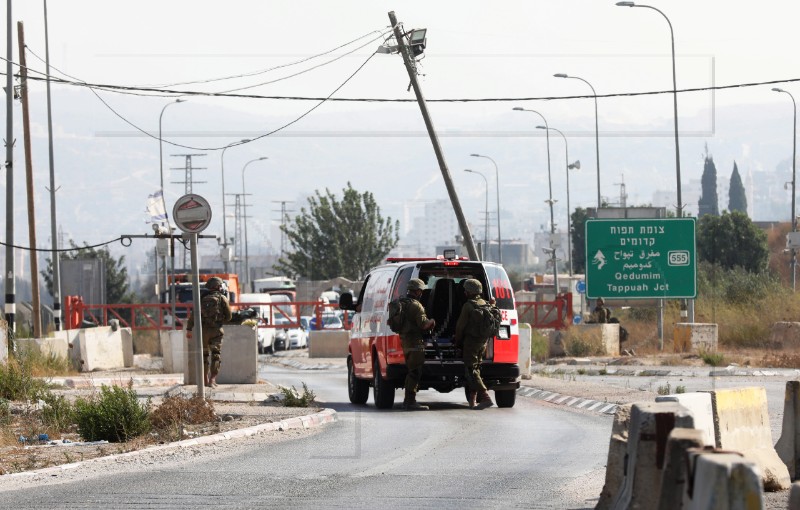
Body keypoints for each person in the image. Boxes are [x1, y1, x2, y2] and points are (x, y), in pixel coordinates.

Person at [454, 278, 495, 410]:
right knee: (476, 368)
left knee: (471, 370)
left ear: (468, 292)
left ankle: (485, 397)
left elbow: (460, 327)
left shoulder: (468, 306)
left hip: (471, 342)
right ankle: (473, 400)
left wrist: (457, 341)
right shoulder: (485, 303)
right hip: (483, 341)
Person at [187, 277, 233, 388]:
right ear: (218, 286)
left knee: (204, 355)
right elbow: (229, 316)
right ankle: (212, 380)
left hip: (203, 331)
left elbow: (193, 315)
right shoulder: (222, 298)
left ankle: (205, 380)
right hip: (216, 331)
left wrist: (189, 329)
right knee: (215, 355)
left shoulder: (202, 298)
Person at [398, 278, 435, 411]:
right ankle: (410, 401)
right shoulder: (416, 305)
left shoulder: (401, 302)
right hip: (415, 342)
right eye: (421, 290)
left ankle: (408, 400)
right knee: (415, 371)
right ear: (418, 291)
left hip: (405, 340)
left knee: (411, 369)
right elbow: (424, 325)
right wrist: (432, 321)